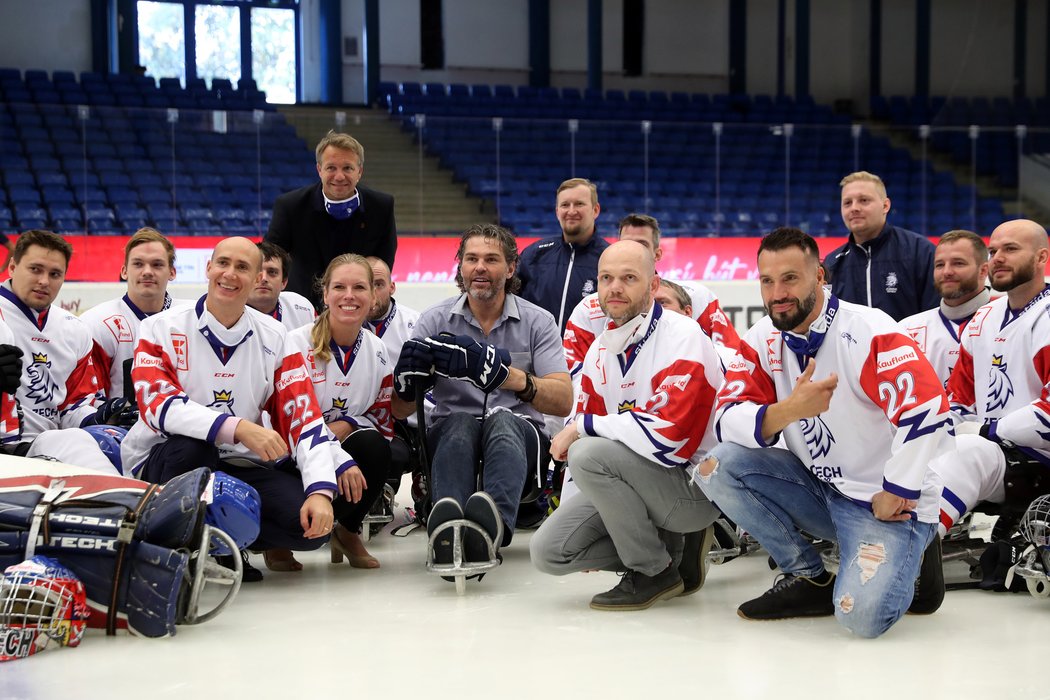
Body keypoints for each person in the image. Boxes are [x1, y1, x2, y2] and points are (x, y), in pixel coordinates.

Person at [695, 227, 951, 638]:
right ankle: (809, 578)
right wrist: (787, 411)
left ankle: (918, 548)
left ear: (820, 277)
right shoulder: (762, 338)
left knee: (860, 619)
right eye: (767, 281)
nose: (777, 292)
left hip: (882, 504)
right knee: (714, 465)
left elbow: (925, 410)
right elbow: (725, 419)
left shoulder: (869, 329)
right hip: (820, 490)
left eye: (790, 278)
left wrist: (898, 488)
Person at [121, 237, 350, 581]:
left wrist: (319, 491)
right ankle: (170, 547)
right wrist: (238, 427)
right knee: (193, 448)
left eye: (243, 267)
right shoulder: (160, 327)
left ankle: (222, 543)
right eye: (223, 263)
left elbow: (304, 417)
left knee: (307, 527)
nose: (230, 274)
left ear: (258, 276)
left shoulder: (275, 337)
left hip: (234, 463)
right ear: (208, 268)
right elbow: (159, 407)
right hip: (163, 459)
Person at [530, 241, 723, 610]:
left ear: (653, 286)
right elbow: (580, 453)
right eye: (606, 278)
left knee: (588, 447)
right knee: (549, 552)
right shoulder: (599, 349)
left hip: (691, 489)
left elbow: (671, 437)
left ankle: (653, 570)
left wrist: (584, 426)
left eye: (629, 278)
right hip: (635, 481)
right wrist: (574, 507)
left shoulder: (683, 336)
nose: (614, 287)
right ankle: (668, 553)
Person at [390, 224, 573, 561]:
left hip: (521, 432)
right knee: (459, 422)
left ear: (511, 267)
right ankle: (448, 526)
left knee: (503, 420)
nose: (480, 268)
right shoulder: (433, 320)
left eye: (491, 259)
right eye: (471, 258)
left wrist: (511, 378)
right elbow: (400, 411)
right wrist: (405, 384)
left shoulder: (538, 321)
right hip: (450, 430)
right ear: (460, 266)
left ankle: (491, 530)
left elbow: (563, 400)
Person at [933, 220, 1050, 541]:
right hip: (998, 449)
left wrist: (989, 431)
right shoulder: (985, 317)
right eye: (994, 250)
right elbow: (959, 396)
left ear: (1041, 258)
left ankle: (907, 553)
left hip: (1038, 455)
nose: (997, 257)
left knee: (968, 451)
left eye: (1011, 249)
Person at [283, 254, 395, 571]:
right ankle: (277, 541)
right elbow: (285, 420)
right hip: (292, 452)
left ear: (374, 296)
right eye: (339, 287)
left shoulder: (377, 350)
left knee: (377, 448)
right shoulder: (293, 344)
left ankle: (347, 531)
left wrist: (348, 423)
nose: (349, 295)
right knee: (289, 514)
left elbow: (382, 418)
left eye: (359, 287)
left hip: (343, 445)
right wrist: (334, 452)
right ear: (325, 294)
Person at [0, 230, 134, 471]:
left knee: (113, 443)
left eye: (54, 274)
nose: (44, 281)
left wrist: (101, 416)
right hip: (9, 447)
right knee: (76, 442)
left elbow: (72, 406)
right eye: (35, 269)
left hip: (43, 446)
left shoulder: (74, 329)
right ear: (12, 267)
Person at [563, 213, 741, 380]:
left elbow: (731, 359)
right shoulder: (589, 308)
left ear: (657, 254)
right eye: (627, 243)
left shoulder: (698, 296)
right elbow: (573, 375)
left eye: (642, 244)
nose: (633, 250)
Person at [265, 131, 396, 309]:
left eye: (347, 168)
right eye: (331, 168)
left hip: (357, 308)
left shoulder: (381, 207)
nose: (339, 176)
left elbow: (383, 265)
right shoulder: (290, 206)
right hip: (303, 308)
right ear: (319, 170)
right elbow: (271, 258)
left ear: (360, 171)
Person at [79, 228, 184, 400]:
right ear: (124, 271)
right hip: (121, 427)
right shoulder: (96, 324)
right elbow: (87, 402)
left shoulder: (191, 319)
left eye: (157, 264)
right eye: (138, 264)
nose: (147, 271)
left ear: (172, 272)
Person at [824, 171, 938, 321]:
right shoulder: (832, 263)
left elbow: (935, 317)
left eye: (864, 200)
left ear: (885, 206)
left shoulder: (920, 251)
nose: (854, 208)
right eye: (847, 203)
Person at [517, 178, 609, 332]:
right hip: (538, 354)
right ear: (557, 211)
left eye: (579, 204)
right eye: (565, 205)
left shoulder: (610, 258)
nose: (571, 211)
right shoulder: (534, 254)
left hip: (589, 355)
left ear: (596, 210)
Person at [900, 230, 990, 386]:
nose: (947, 272)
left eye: (958, 263)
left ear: (983, 270)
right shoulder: (906, 329)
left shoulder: (1008, 324)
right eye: (940, 265)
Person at [246, 241, 316, 332]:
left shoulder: (302, 308)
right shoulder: (227, 315)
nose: (263, 278)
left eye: (272, 272)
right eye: (257, 271)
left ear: (284, 282)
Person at [365, 256, 420, 366]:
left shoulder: (417, 324)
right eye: (364, 286)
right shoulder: (343, 323)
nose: (372, 294)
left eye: (378, 285)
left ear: (392, 287)